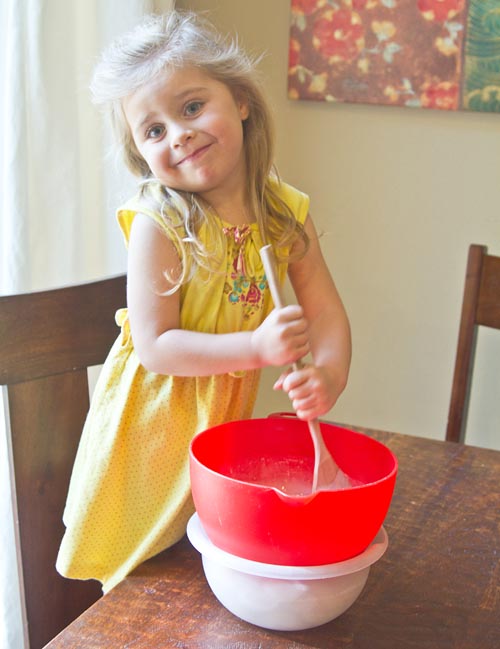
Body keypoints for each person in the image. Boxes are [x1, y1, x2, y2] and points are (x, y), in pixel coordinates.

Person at [56, 9, 351, 593]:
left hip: (221, 431)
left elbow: (326, 314)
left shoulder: (283, 213)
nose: (179, 134)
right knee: (139, 577)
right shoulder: (158, 224)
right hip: (148, 433)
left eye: (191, 108)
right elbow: (158, 347)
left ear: (241, 99)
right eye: (154, 130)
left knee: (201, 571)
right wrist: (256, 346)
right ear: (142, 153)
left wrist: (329, 375)